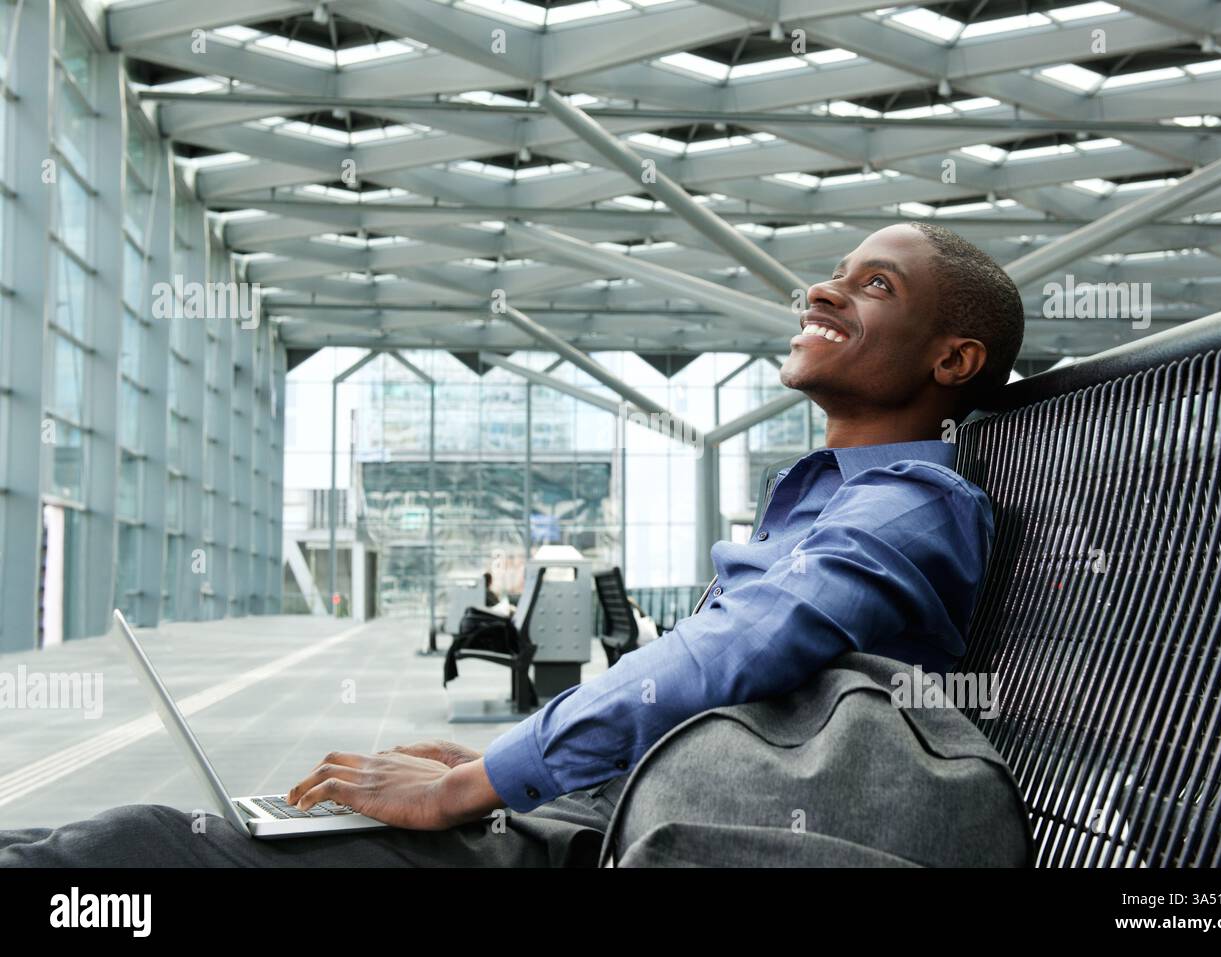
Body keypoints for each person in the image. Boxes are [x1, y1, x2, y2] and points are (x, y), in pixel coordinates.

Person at [0, 222, 1024, 867]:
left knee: (127, 853)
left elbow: (728, 655)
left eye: (874, 286)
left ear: (954, 357)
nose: (823, 291)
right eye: (832, 274)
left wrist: (478, 780)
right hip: (624, 807)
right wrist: (514, 766)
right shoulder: (840, 500)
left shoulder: (902, 507)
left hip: (633, 833)